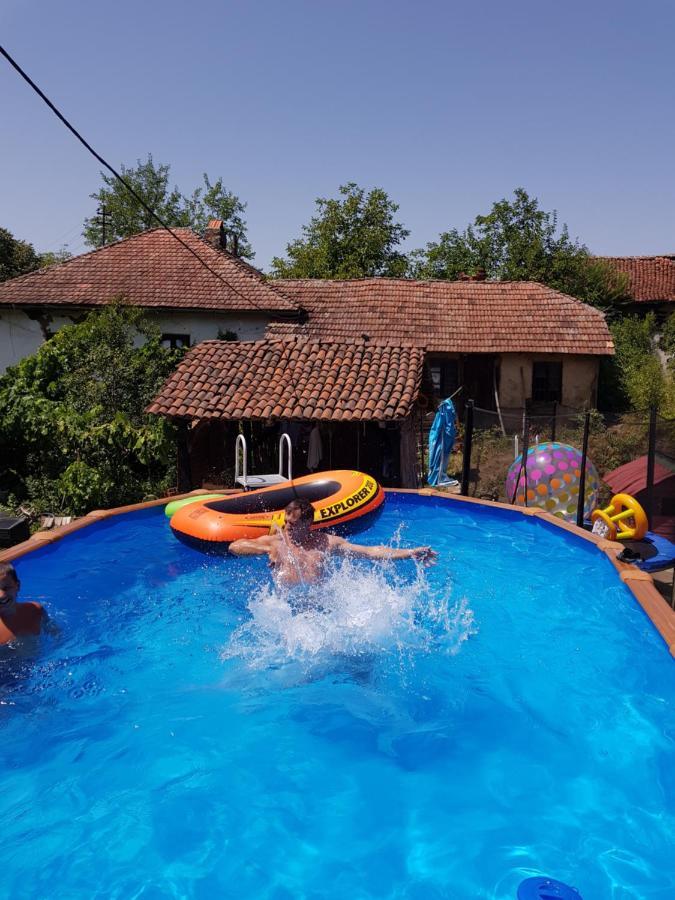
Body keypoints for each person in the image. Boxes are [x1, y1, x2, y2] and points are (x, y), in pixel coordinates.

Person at [229, 498, 437, 585]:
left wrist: (409, 553)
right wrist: (264, 551)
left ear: (308, 523)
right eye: (287, 522)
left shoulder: (326, 543)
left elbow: (370, 552)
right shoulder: (275, 543)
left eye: (294, 524)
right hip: (286, 613)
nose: (288, 528)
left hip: (322, 611)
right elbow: (235, 546)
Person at [0, 562, 52, 645]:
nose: (1, 595)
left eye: (6, 588)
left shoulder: (36, 610)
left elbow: (57, 635)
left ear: (18, 586)